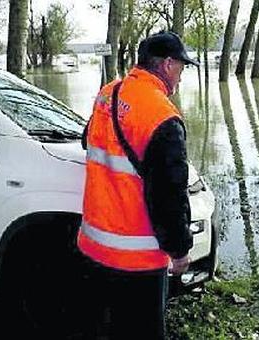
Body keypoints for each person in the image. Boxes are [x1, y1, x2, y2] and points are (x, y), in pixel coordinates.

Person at [78, 31, 199, 339]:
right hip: (138, 260)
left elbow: (87, 140)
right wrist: (180, 249)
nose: (181, 78)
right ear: (167, 65)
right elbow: (169, 194)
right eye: (181, 69)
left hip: (94, 247)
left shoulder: (109, 92)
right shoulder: (162, 116)